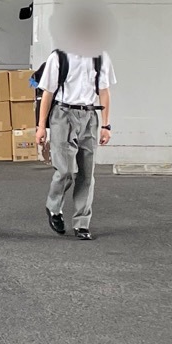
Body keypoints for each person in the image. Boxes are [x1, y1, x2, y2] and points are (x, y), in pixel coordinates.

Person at [35, 42, 116, 240]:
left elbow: (104, 91)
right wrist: (41, 126)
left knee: (87, 174)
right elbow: (48, 93)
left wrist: (106, 125)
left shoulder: (100, 57)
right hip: (63, 115)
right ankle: (54, 207)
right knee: (66, 171)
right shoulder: (59, 57)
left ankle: (82, 223)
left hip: (89, 116)